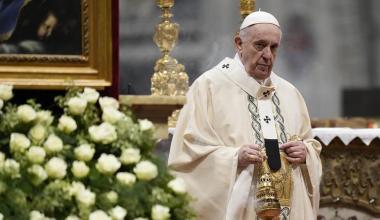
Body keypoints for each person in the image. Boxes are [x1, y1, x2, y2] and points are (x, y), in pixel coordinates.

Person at [168, 10, 322, 220]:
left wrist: (306, 154)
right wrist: (234, 158)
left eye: (274, 47)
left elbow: (309, 143)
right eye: (260, 45)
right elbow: (187, 156)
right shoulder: (208, 87)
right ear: (239, 43)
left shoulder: (290, 93)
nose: (268, 55)